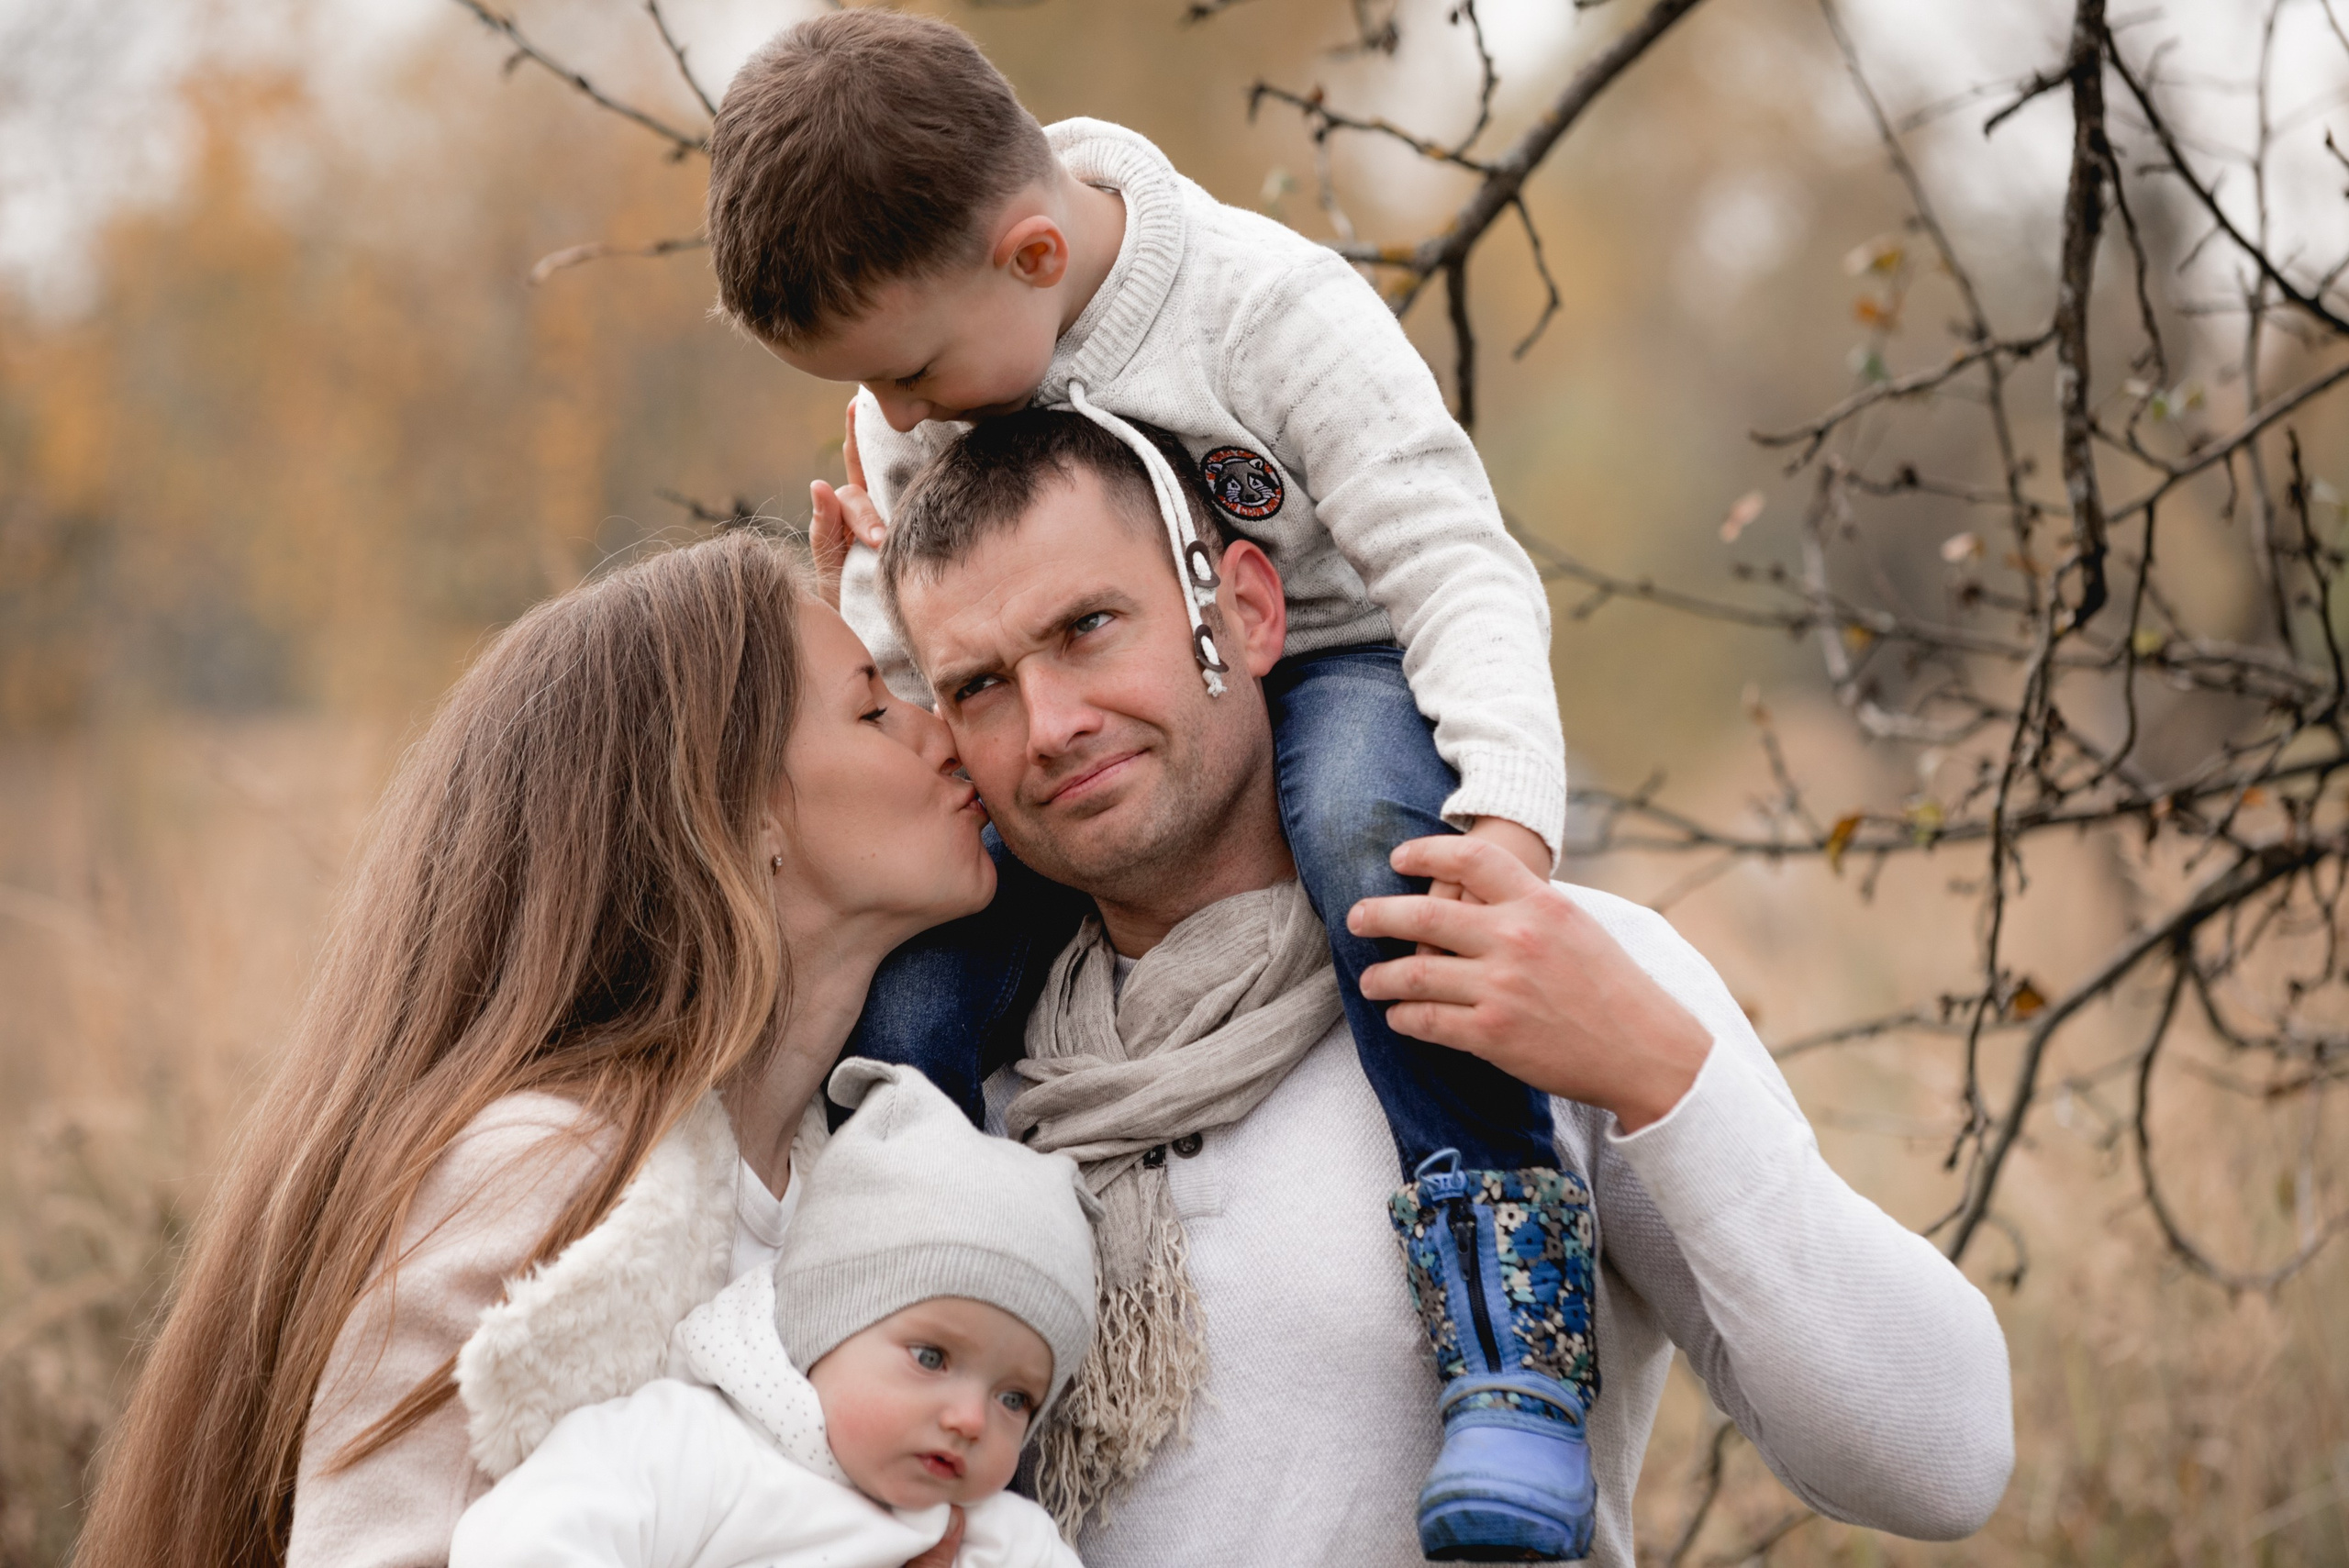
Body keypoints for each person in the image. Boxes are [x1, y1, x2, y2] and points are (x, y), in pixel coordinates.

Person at [706, 14, 1591, 1551]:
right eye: (875, 390)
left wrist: (1503, 814)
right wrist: (855, 622)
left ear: (1035, 252)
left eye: (910, 373)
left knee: (1368, 834)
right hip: (1084, 713)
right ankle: (873, 1369)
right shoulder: (929, 368)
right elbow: (925, 634)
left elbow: (1453, 558)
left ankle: (1508, 1320)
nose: (900, 420)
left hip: (1331, 662)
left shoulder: (1266, 310)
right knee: (913, 988)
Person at [866, 406, 2017, 1568]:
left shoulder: (1532, 977)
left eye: (1090, 626)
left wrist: (1656, 1071)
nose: (1051, 724)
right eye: (980, 687)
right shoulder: (949, 1084)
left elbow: (1941, 1459)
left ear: (1249, 612)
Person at [75, 533, 996, 1568]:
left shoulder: (865, 1178)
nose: (945, 733)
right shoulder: (542, 1170)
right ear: (737, 814)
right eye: (875, 709)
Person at [448, 1061, 1096, 1568]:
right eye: (931, 1357)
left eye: (1016, 1398)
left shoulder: (997, 1537)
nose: (971, 1418)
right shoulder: (691, 1449)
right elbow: (520, 1543)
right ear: (822, 1325)